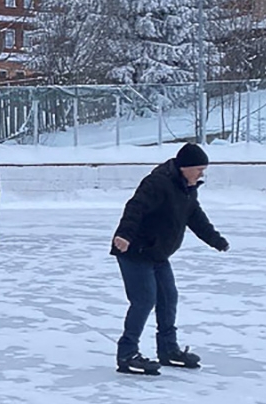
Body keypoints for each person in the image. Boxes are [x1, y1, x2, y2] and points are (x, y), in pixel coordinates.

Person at [110, 143, 228, 375]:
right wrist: (124, 234)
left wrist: (216, 240)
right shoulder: (158, 183)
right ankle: (127, 353)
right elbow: (135, 207)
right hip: (136, 251)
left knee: (168, 298)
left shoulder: (186, 188)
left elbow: (195, 217)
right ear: (185, 167)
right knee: (144, 300)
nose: (202, 174)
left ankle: (168, 350)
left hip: (158, 254)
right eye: (199, 169)